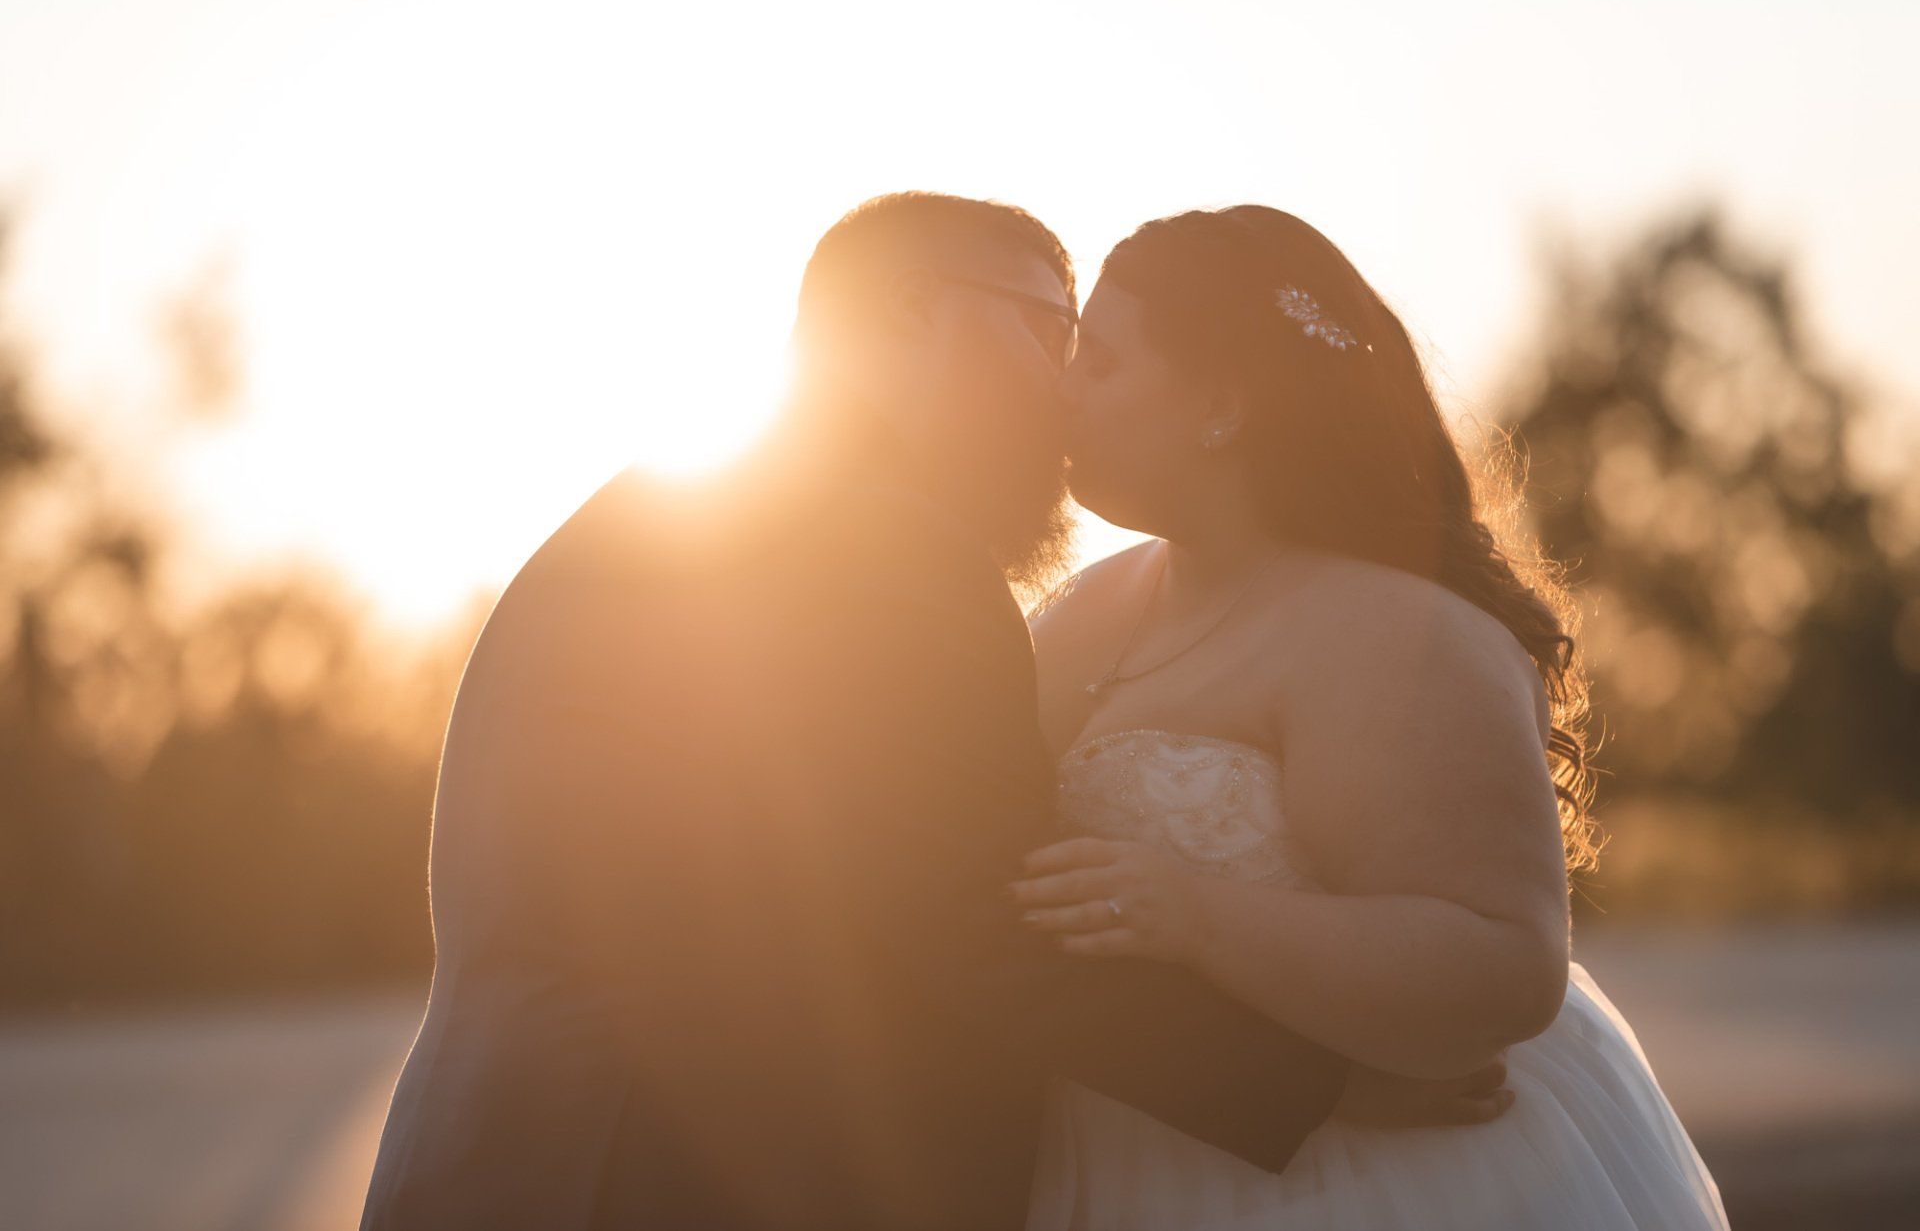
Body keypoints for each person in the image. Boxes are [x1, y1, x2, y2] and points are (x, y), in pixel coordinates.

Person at [357, 193, 1506, 1231]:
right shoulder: (883, 540)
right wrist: (1335, 1081)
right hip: (669, 1179)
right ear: (918, 311)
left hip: (503, 1160)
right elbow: (971, 919)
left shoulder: (663, 509)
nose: (1064, 390)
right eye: (1051, 331)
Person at [1014, 205, 1731, 1229]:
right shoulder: (1090, 601)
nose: (1062, 389)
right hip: (1132, 1136)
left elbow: (1503, 962)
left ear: (1220, 405)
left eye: (1101, 362)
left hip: (1379, 1178)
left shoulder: (1405, 638)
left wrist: (1194, 915)